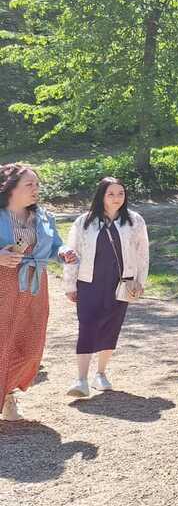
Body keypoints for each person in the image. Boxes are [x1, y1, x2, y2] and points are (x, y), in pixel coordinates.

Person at [0, 164, 77, 421]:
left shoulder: (43, 216)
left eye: (37, 184)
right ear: (10, 188)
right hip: (3, 282)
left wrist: (64, 251)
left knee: (30, 345)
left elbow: (55, 242)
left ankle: (8, 391)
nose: (36, 189)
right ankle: (6, 397)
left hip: (34, 284)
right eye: (29, 185)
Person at [62, 177, 149, 398]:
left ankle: (101, 374)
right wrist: (70, 284)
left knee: (112, 325)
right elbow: (72, 253)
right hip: (88, 281)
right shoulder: (85, 222)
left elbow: (142, 253)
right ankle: (81, 379)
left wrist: (140, 281)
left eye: (120, 193)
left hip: (121, 282)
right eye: (111, 194)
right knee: (88, 325)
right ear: (101, 195)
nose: (116, 198)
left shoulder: (134, 220)